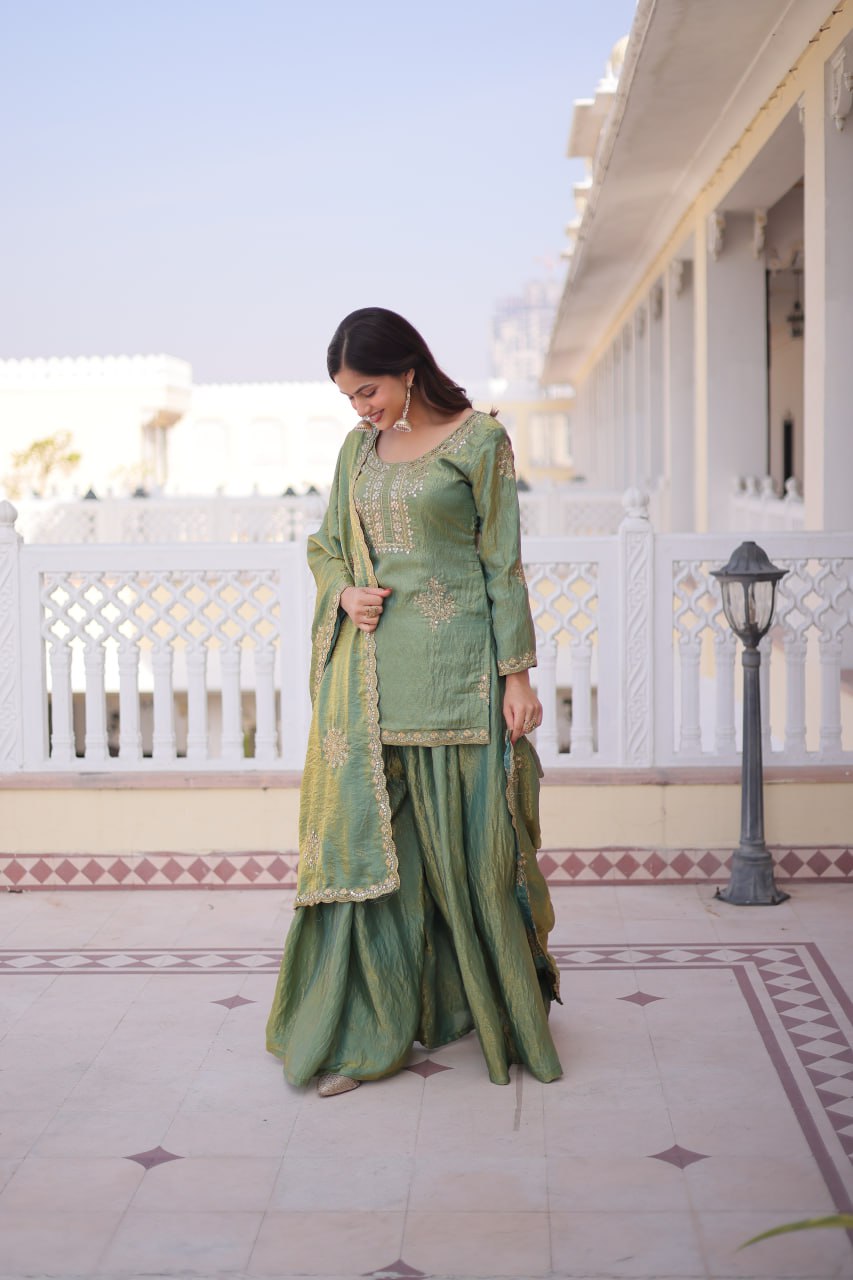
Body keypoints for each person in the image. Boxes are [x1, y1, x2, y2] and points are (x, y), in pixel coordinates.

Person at [266, 308, 562, 1096]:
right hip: (368, 683)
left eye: (366, 390)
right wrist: (344, 593)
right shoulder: (356, 452)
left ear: (406, 369)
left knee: (476, 857)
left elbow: (502, 563)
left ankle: (490, 1010)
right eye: (348, 397)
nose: (359, 407)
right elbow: (326, 546)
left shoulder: (480, 441)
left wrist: (517, 675)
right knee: (373, 858)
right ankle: (367, 1031)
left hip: (460, 677)